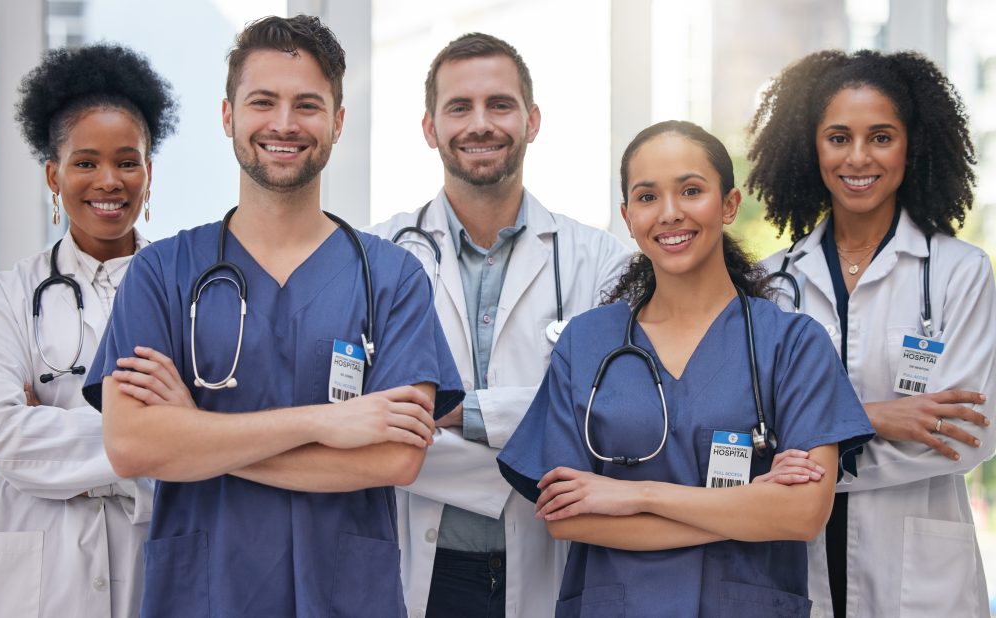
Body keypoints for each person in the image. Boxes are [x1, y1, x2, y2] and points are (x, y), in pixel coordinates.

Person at [83, 15, 463, 617]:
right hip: (204, 595)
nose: (284, 124)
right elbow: (133, 445)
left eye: (307, 105)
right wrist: (324, 424)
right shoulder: (161, 272)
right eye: (263, 101)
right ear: (229, 115)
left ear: (337, 123)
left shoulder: (391, 277)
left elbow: (396, 457)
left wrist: (197, 433)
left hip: (344, 596)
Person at [497, 120, 875, 617]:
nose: (670, 213)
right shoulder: (586, 342)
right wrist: (750, 507)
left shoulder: (794, 344)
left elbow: (804, 513)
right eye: (647, 197)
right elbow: (568, 517)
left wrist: (630, 495)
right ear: (628, 217)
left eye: (691, 190)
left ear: (729, 204)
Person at [366, 33, 631, 618]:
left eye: (500, 105)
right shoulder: (376, 254)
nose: (480, 124)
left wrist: (454, 411)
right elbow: (364, 417)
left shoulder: (600, 260)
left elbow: (608, 416)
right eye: (459, 107)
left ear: (532, 120)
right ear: (430, 128)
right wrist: (532, 428)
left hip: (545, 560)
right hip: (420, 567)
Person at [748, 50, 996, 617]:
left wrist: (808, 456)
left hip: (918, 581)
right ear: (812, 147)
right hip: (794, 563)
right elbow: (749, 430)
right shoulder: (770, 282)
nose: (858, 157)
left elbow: (963, 437)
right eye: (838, 137)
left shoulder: (960, 272)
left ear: (913, 144)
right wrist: (878, 419)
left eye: (881, 137)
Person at [0, 44, 177, 617]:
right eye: (86, 162)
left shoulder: (189, 290)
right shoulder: (4, 299)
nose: (108, 181)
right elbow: (7, 439)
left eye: (127, 161)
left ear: (148, 172)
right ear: (53, 174)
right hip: (43, 575)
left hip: (149, 560)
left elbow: (219, 432)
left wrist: (58, 429)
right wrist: (158, 438)